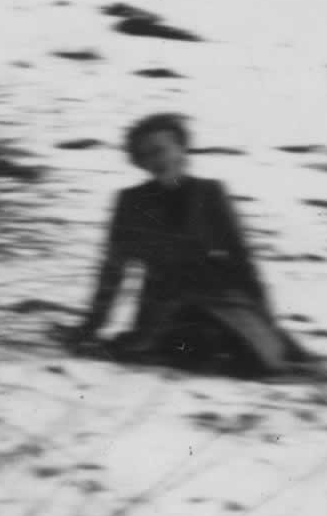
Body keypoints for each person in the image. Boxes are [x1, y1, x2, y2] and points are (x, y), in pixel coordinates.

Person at [68, 113, 305, 378]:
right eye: (144, 155)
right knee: (187, 349)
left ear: (182, 148)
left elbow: (242, 261)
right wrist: (91, 329)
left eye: (160, 150)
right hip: (165, 315)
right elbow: (113, 271)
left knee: (258, 359)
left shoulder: (211, 193)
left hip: (223, 304)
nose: (154, 161)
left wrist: (266, 321)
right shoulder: (130, 202)